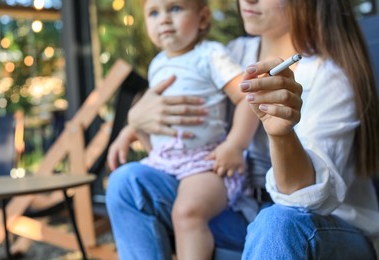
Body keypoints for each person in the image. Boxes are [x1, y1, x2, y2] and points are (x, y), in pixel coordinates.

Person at [106, 0, 379, 259]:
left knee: (277, 222)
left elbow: (304, 200)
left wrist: (281, 135)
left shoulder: (328, 78)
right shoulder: (235, 53)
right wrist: (135, 120)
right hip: (246, 210)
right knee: (127, 181)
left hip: (326, 229)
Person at [106, 0, 259, 259]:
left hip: (206, 163)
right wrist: (126, 133)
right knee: (121, 185)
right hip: (165, 162)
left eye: (174, 8)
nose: (164, 19)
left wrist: (235, 144)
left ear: (202, 18)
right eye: (154, 13)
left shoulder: (210, 54)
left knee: (187, 212)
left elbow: (247, 97)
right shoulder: (157, 65)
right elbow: (155, 115)